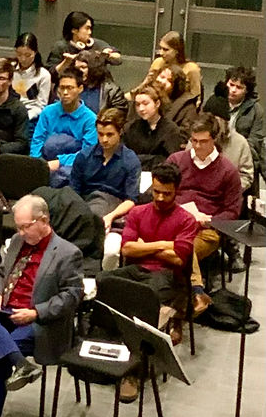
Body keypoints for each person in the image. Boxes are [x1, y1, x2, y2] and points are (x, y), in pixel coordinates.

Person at [0, 195, 83, 417]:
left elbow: (72, 296)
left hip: (39, 322)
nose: (20, 232)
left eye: (25, 226)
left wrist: (35, 312)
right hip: (7, 311)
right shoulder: (19, 242)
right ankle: (21, 364)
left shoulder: (67, 253)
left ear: (43, 221)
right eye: (18, 227)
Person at [113, 162, 198, 350]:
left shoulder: (186, 220)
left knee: (145, 296)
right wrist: (162, 244)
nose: (160, 197)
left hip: (168, 276)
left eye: (166, 193)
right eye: (156, 191)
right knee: (105, 280)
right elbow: (127, 249)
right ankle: (112, 337)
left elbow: (178, 259)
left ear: (176, 190)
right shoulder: (137, 212)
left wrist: (144, 246)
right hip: (136, 269)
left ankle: (137, 357)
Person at [167, 114, 243, 314]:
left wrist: (209, 220)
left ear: (214, 140)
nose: (197, 146)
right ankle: (195, 295)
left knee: (181, 249)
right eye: (194, 141)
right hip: (173, 222)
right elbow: (161, 192)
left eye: (203, 141)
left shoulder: (228, 171)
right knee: (173, 248)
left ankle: (180, 306)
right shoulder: (176, 160)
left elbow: (232, 212)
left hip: (207, 229)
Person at [69, 110, 141, 269]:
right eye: (100, 134)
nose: (104, 139)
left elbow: (131, 200)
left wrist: (110, 217)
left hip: (116, 214)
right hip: (85, 208)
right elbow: (74, 192)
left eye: (109, 134)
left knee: (110, 252)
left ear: (120, 132)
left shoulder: (130, 160)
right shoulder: (84, 156)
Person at [29, 65, 98, 182]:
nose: (65, 92)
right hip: (44, 162)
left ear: (80, 88)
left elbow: (87, 153)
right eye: (62, 88)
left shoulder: (90, 119)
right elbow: (37, 140)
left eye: (70, 88)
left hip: (72, 167)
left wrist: (60, 162)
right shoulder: (48, 111)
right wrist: (36, 163)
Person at [204, 65, 264, 177]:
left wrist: (236, 151)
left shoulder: (256, 110)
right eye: (231, 85)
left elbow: (255, 141)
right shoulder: (215, 102)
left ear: (247, 91)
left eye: (239, 87)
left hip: (241, 158)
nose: (233, 90)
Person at [122, 83, 187, 170]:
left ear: (157, 104)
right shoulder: (130, 127)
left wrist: (139, 159)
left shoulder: (171, 130)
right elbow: (124, 157)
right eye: (137, 104)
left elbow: (171, 161)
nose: (141, 109)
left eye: (145, 104)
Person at [46, 10, 121, 73]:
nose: (90, 32)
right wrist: (66, 62)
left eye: (90, 28)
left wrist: (106, 55)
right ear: (74, 30)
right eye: (87, 28)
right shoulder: (61, 47)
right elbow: (51, 73)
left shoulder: (98, 44)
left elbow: (118, 60)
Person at [150, 31, 202, 103]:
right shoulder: (158, 63)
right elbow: (146, 87)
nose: (161, 53)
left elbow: (196, 97)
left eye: (166, 50)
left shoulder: (191, 69)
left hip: (181, 109)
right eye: (160, 48)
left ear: (177, 51)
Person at [153, 62, 199, 138]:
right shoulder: (148, 100)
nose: (163, 82)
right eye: (162, 77)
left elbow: (184, 135)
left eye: (169, 81)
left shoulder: (188, 107)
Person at [12, 33, 52, 120]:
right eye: (19, 54)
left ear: (35, 53)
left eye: (27, 55)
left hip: (30, 115)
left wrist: (26, 117)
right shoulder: (10, 68)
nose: (23, 59)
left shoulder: (43, 75)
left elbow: (41, 105)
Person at [77, 49, 128, 117]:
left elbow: (119, 116)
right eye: (76, 68)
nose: (79, 71)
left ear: (93, 68)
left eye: (83, 67)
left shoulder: (112, 91)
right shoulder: (71, 87)